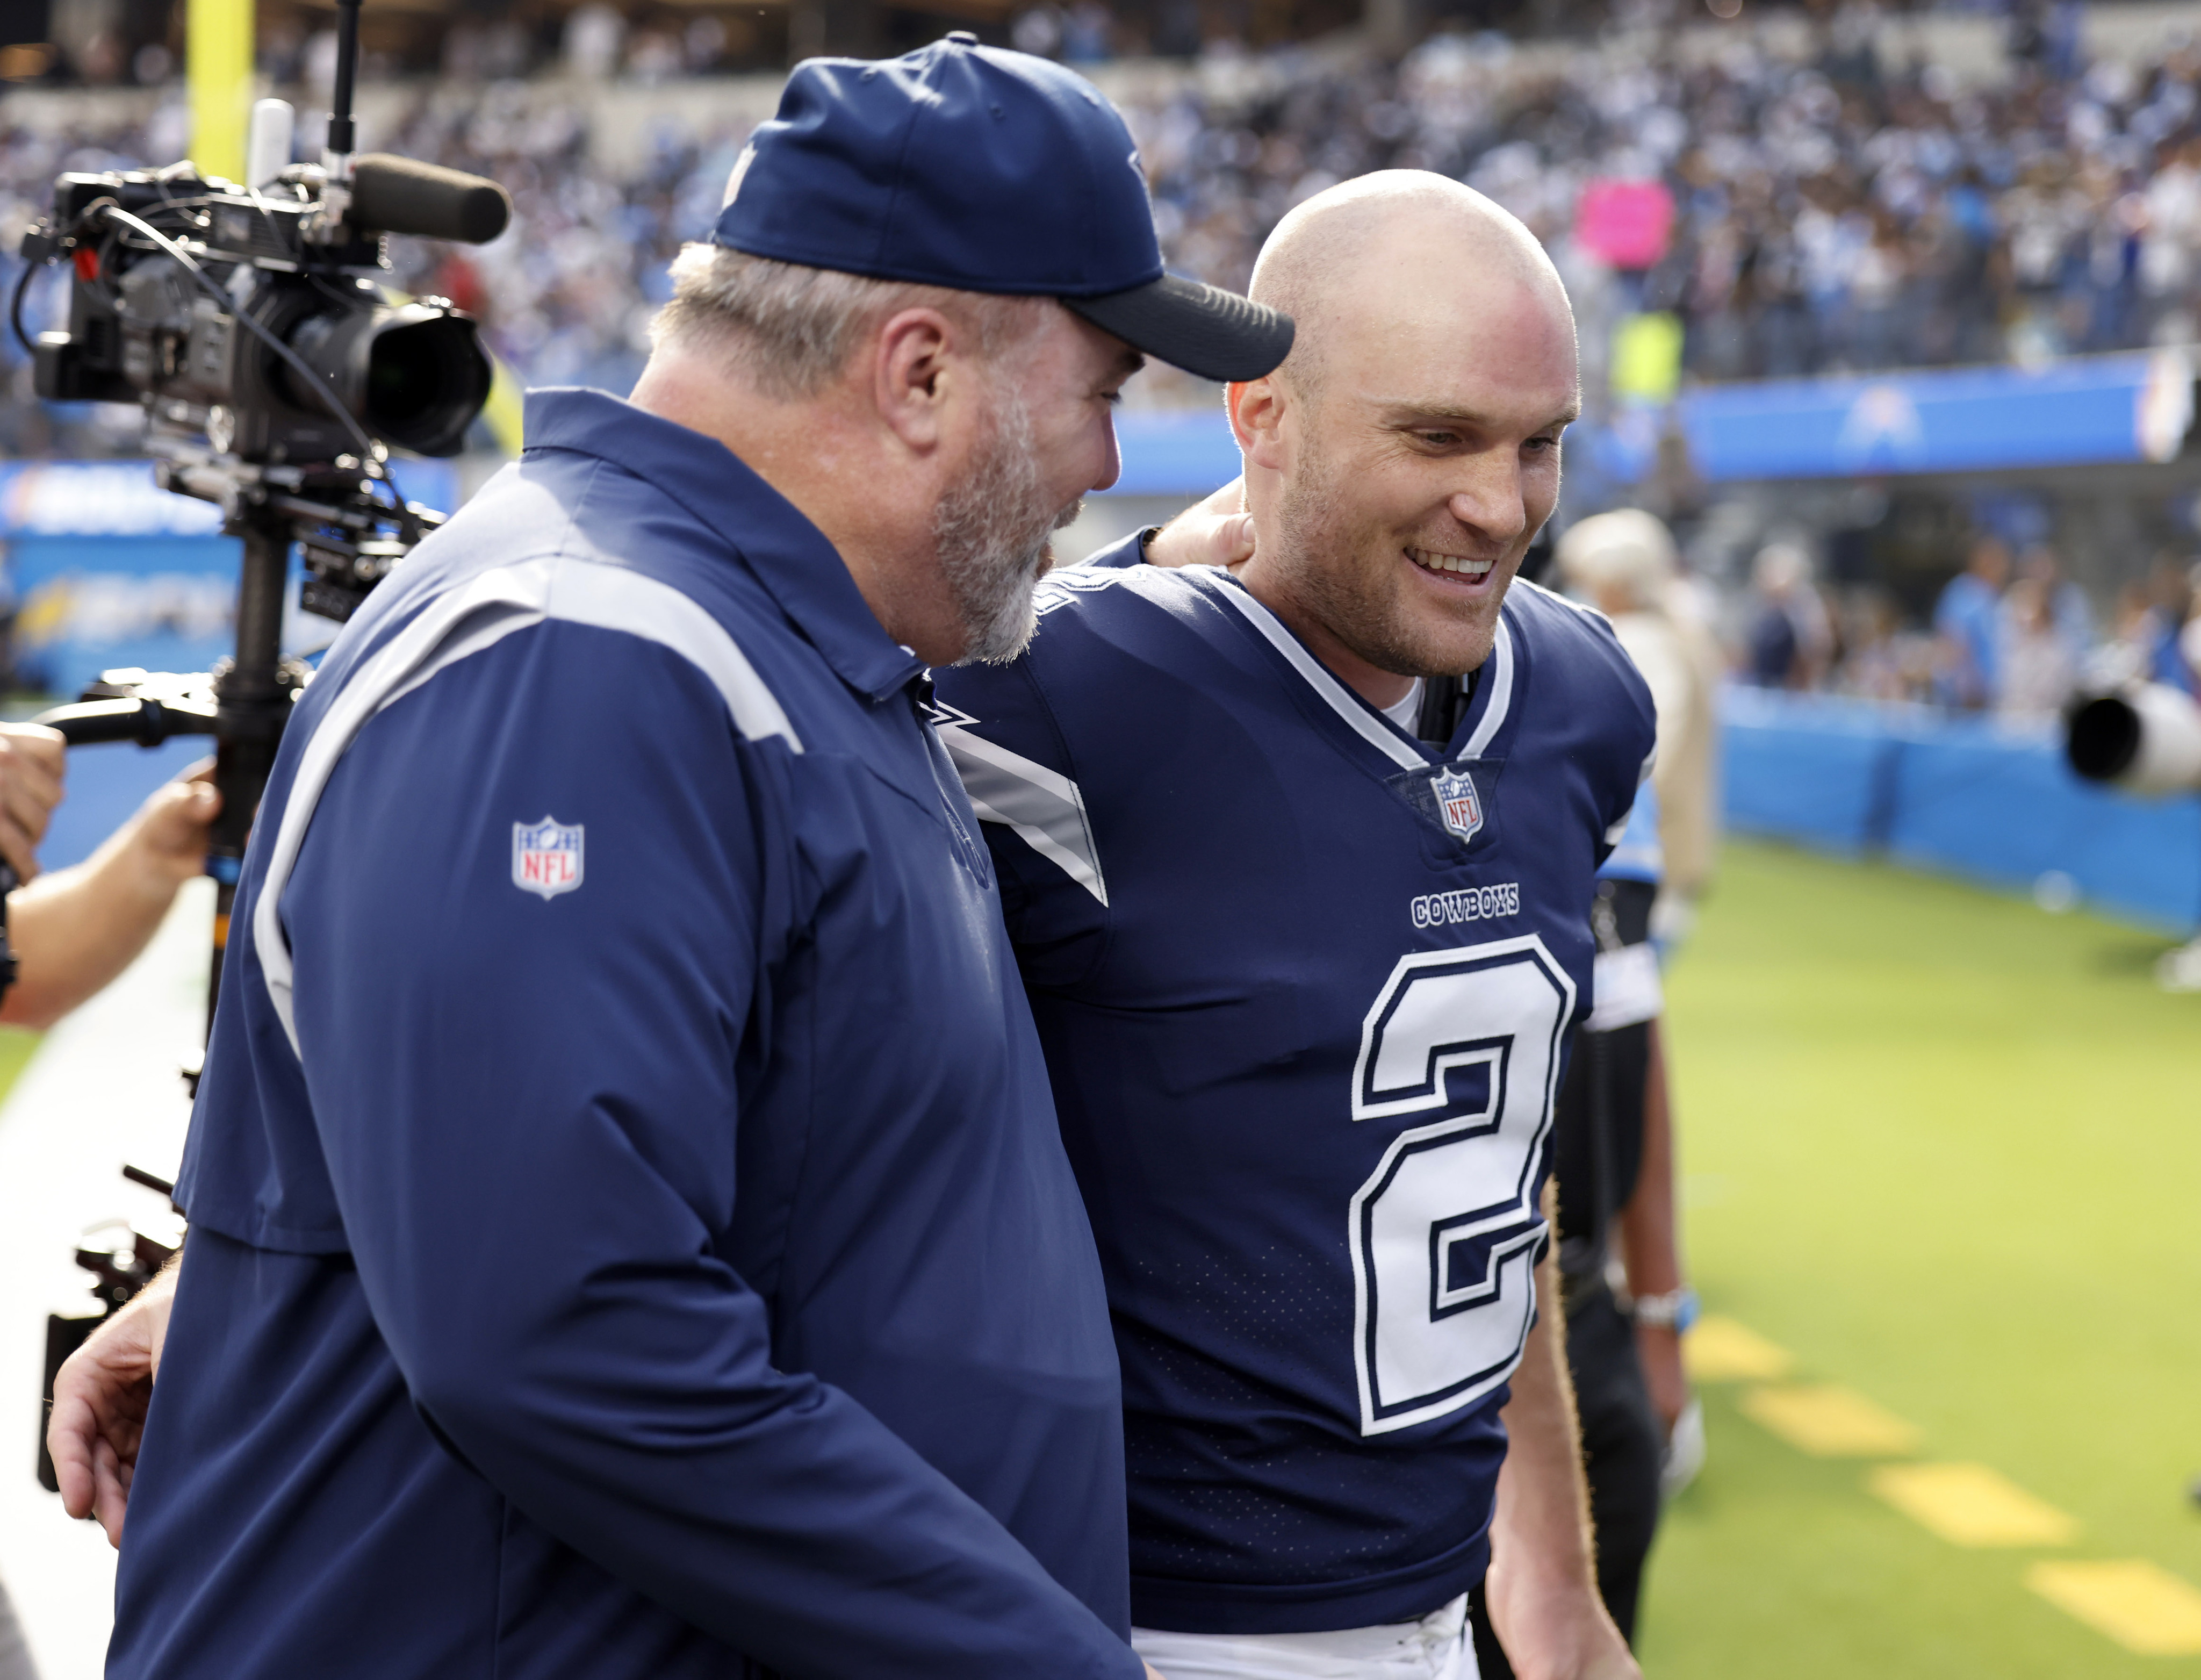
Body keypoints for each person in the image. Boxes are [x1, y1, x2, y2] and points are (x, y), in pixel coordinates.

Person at [55, 38, 1292, 1680]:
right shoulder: (582, 658)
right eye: (1099, 393)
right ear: (919, 372)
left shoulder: (741, 633)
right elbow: (561, 1331)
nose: (1106, 466)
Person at [933, 171, 1651, 1680]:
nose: (1504, 503)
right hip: (1134, 1615)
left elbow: (1480, 1171)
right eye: (1439, 434)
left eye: (1540, 444)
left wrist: (1555, 1571)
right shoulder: (1057, 702)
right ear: (1260, 415)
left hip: (1446, 1608)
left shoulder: (1581, 699)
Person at [1932, 535, 2010, 708]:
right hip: (1967, 701)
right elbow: (1953, 644)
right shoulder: (1962, 593)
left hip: (1993, 699)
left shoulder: (1994, 596)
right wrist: (1967, 691)